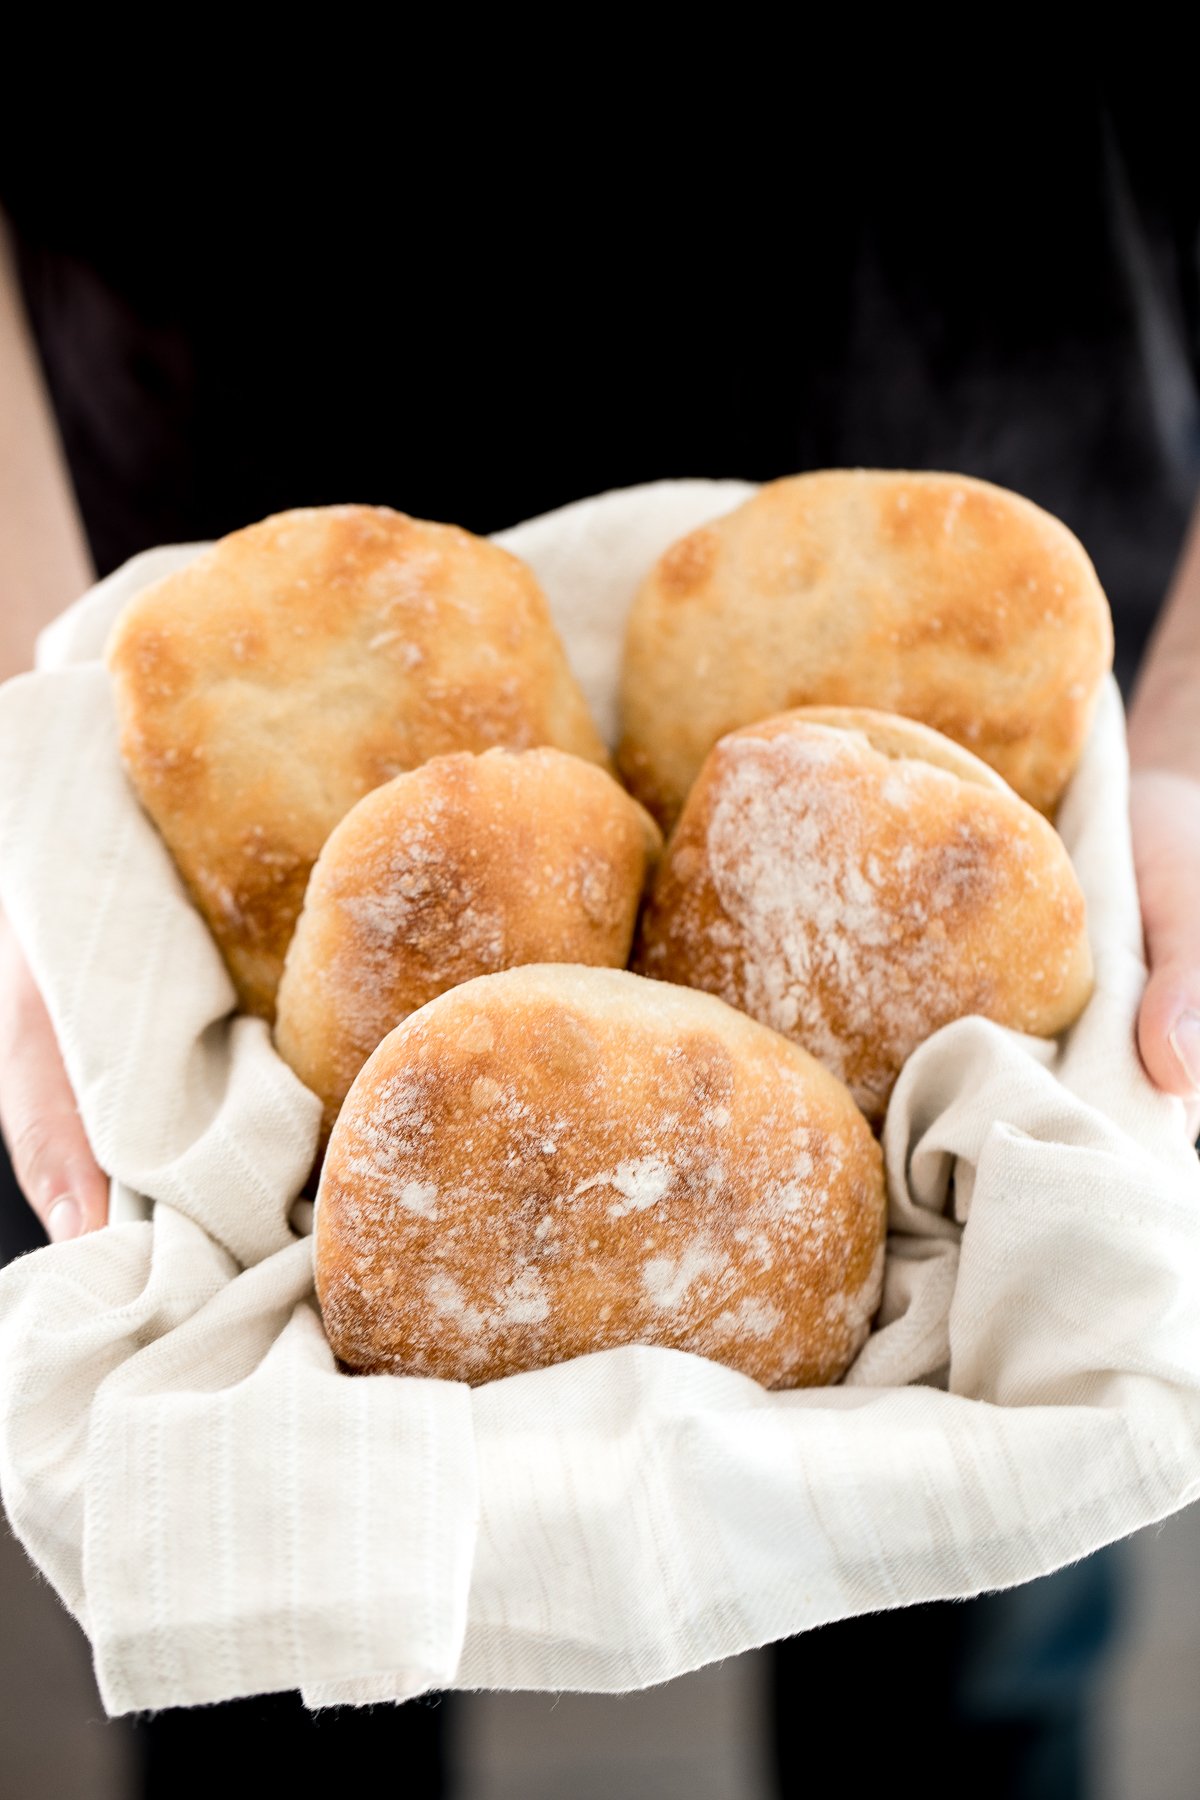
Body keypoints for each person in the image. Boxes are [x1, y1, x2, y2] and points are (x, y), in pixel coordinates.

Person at [1, 69, 1197, 1799]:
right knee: (279, 1641)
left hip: (1043, 592)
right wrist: (22, 759)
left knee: (979, 1618)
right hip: (170, 539)